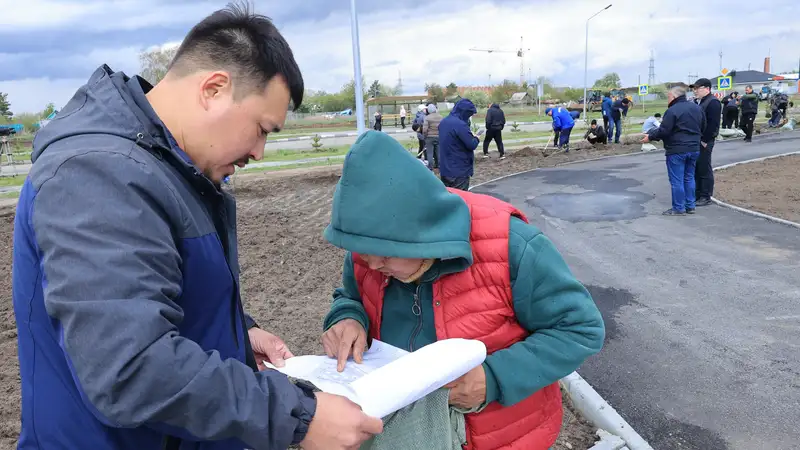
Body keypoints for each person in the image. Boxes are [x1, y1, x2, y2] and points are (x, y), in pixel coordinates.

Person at [10, 5, 383, 450]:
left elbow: (152, 289)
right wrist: (298, 417)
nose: (260, 152)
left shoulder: (170, 170)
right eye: (262, 129)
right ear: (214, 88)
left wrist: (235, 331)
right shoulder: (98, 174)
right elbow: (131, 369)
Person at [320, 130, 605, 450]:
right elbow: (350, 295)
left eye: (385, 253)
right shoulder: (368, 244)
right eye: (361, 252)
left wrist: (495, 378)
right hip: (399, 422)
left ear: (419, 233)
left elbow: (580, 328)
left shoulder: (512, 246)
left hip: (500, 436)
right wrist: (346, 317)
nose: (371, 265)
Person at [642, 86, 706, 216]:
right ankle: (690, 205)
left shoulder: (672, 111)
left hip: (677, 150)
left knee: (677, 180)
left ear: (674, 96)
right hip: (694, 148)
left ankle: (678, 208)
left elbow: (664, 130)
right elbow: (703, 126)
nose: (668, 99)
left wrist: (650, 136)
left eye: (668, 97)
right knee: (689, 177)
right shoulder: (697, 108)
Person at [690, 78, 721, 207]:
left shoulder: (713, 102)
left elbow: (713, 124)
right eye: (694, 89)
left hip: (705, 140)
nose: (695, 91)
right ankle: (698, 194)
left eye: (698, 88)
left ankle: (705, 195)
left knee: (704, 168)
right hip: (698, 139)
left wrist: (705, 140)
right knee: (697, 168)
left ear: (707, 88)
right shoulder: (701, 102)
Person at [438, 98, 480, 190]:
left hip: (445, 168)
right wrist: (476, 138)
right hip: (459, 169)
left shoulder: (444, 122)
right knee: (461, 198)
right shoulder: (460, 125)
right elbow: (471, 144)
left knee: (449, 197)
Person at [423, 103, 443, 170]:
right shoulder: (441, 117)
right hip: (439, 137)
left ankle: (430, 167)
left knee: (430, 153)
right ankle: (440, 166)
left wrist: (425, 136)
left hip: (429, 137)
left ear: (428, 110)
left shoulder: (427, 118)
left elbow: (425, 129)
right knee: (439, 152)